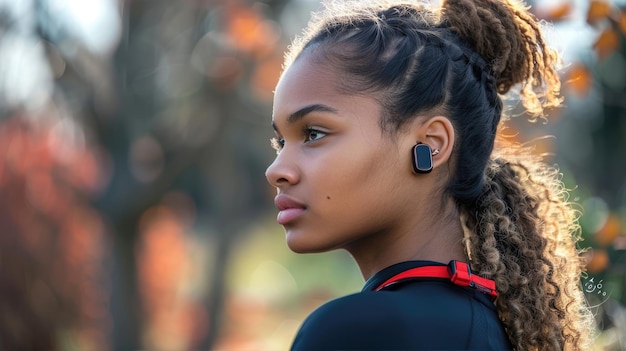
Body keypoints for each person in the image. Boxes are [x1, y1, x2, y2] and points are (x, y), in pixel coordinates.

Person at [265, 0, 595, 349]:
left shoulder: (355, 331)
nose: (277, 171)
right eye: (281, 142)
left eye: (313, 133)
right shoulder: (500, 327)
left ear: (431, 145)